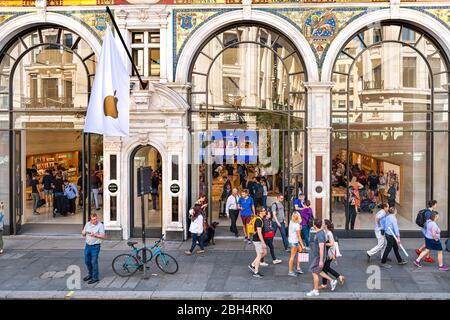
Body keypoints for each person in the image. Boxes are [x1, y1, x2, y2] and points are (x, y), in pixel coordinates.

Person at [306, 219, 337, 297]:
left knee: (314, 272)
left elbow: (322, 247)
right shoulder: (321, 232)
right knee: (319, 271)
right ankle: (332, 280)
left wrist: (320, 260)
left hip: (319, 257)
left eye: (313, 224)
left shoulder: (320, 234)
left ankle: (315, 291)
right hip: (319, 257)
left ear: (314, 225)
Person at [321, 220, 345, 290]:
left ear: (326, 225)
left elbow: (332, 243)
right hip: (328, 252)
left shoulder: (329, 233)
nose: (322, 224)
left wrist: (323, 244)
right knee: (326, 268)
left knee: (325, 268)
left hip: (330, 253)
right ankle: (338, 277)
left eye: (323, 223)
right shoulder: (325, 231)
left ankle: (325, 284)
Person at [82, 213, 105, 284]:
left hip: (95, 246)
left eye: (95, 219)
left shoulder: (100, 225)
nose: (94, 221)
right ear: (90, 219)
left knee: (94, 262)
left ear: (97, 218)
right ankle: (90, 274)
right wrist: (83, 233)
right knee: (87, 261)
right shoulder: (87, 224)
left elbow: (103, 236)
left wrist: (94, 234)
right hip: (87, 245)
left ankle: (95, 278)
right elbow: (83, 233)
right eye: (92, 219)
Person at [248, 207, 267, 278]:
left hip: (259, 240)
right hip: (257, 240)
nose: (265, 211)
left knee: (264, 253)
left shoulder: (261, 219)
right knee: (259, 255)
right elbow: (259, 233)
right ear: (260, 212)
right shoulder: (259, 220)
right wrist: (263, 242)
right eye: (264, 210)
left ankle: (252, 264)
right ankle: (256, 272)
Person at [287, 212, 305, 277]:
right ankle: (290, 271)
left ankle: (298, 268)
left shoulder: (291, 221)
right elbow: (299, 236)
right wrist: (302, 245)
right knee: (292, 257)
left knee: (300, 252)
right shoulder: (296, 225)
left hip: (292, 240)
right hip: (294, 242)